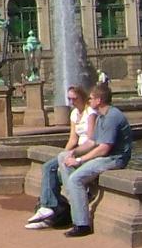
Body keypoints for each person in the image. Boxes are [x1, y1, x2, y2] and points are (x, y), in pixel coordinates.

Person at [55, 83, 133, 237]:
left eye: (91, 98)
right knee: (63, 157)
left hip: (115, 159)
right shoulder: (102, 116)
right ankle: (77, 201)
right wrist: (73, 152)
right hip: (105, 156)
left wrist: (79, 160)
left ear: (99, 100)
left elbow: (104, 148)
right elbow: (91, 142)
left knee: (75, 179)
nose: (88, 101)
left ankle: (82, 224)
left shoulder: (112, 117)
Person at [25, 85, 98, 230]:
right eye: (69, 99)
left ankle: (50, 207)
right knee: (48, 167)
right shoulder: (74, 114)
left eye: (74, 99)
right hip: (76, 150)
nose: (71, 102)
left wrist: (73, 155)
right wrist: (62, 156)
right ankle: (47, 206)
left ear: (82, 97)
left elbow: (91, 140)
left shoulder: (91, 113)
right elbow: (73, 139)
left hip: (86, 151)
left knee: (55, 171)